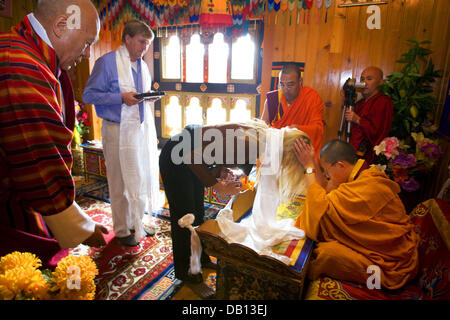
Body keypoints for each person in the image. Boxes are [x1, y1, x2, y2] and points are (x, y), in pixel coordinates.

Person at [0, 0, 108, 268]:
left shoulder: (20, 47)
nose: (86, 54)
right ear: (61, 26)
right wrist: (78, 227)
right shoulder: (21, 67)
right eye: (85, 43)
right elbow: (39, 163)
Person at [160, 120, 309, 299]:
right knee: (185, 217)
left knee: (198, 214)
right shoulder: (249, 142)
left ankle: (201, 260)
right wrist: (219, 187)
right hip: (177, 157)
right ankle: (188, 274)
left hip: (191, 156)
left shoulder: (262, 141)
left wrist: (219, 170)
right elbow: (192, 156)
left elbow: (210, 152)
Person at [293, 138, 419, 290]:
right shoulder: (359, 174)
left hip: (392, 263)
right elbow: (324, 190)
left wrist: (308, 167)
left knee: (326, 255)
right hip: (383, 248)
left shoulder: (369, 185)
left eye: (327, 171)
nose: (326, 175)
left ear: (340, 165)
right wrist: (312, 160)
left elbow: (319, 210)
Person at [83, 20, 161, 247]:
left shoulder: (142, 66)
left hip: (138, 131)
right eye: (141, 42)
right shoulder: (107, 63)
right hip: (116, 130)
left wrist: (148, 97)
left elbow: (137, 96)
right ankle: (121, 229)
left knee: (139, 177)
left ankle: (137, 221)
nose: (144, 48)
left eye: (147, 44)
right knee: (119, 181)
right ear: (127, 38)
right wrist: (120, 97)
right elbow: (89, 95)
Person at [261, 63, 324, 159]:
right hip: (277, 154)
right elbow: (262, 128)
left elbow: (317, 129)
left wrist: (297, 129)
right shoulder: (273, 99)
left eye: (290, 85)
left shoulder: (311, 98)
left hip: (301, 156)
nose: (285, 89)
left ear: (300, 81)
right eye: (282, 84)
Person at [345, 66, 394, 164]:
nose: (364, 83)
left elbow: (379, 132)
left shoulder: (383, 101)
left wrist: (358, 120)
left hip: (369, 157)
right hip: (353, 153)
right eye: (362, 79)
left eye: (369, 79)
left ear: (380, 82)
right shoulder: (360, 103)